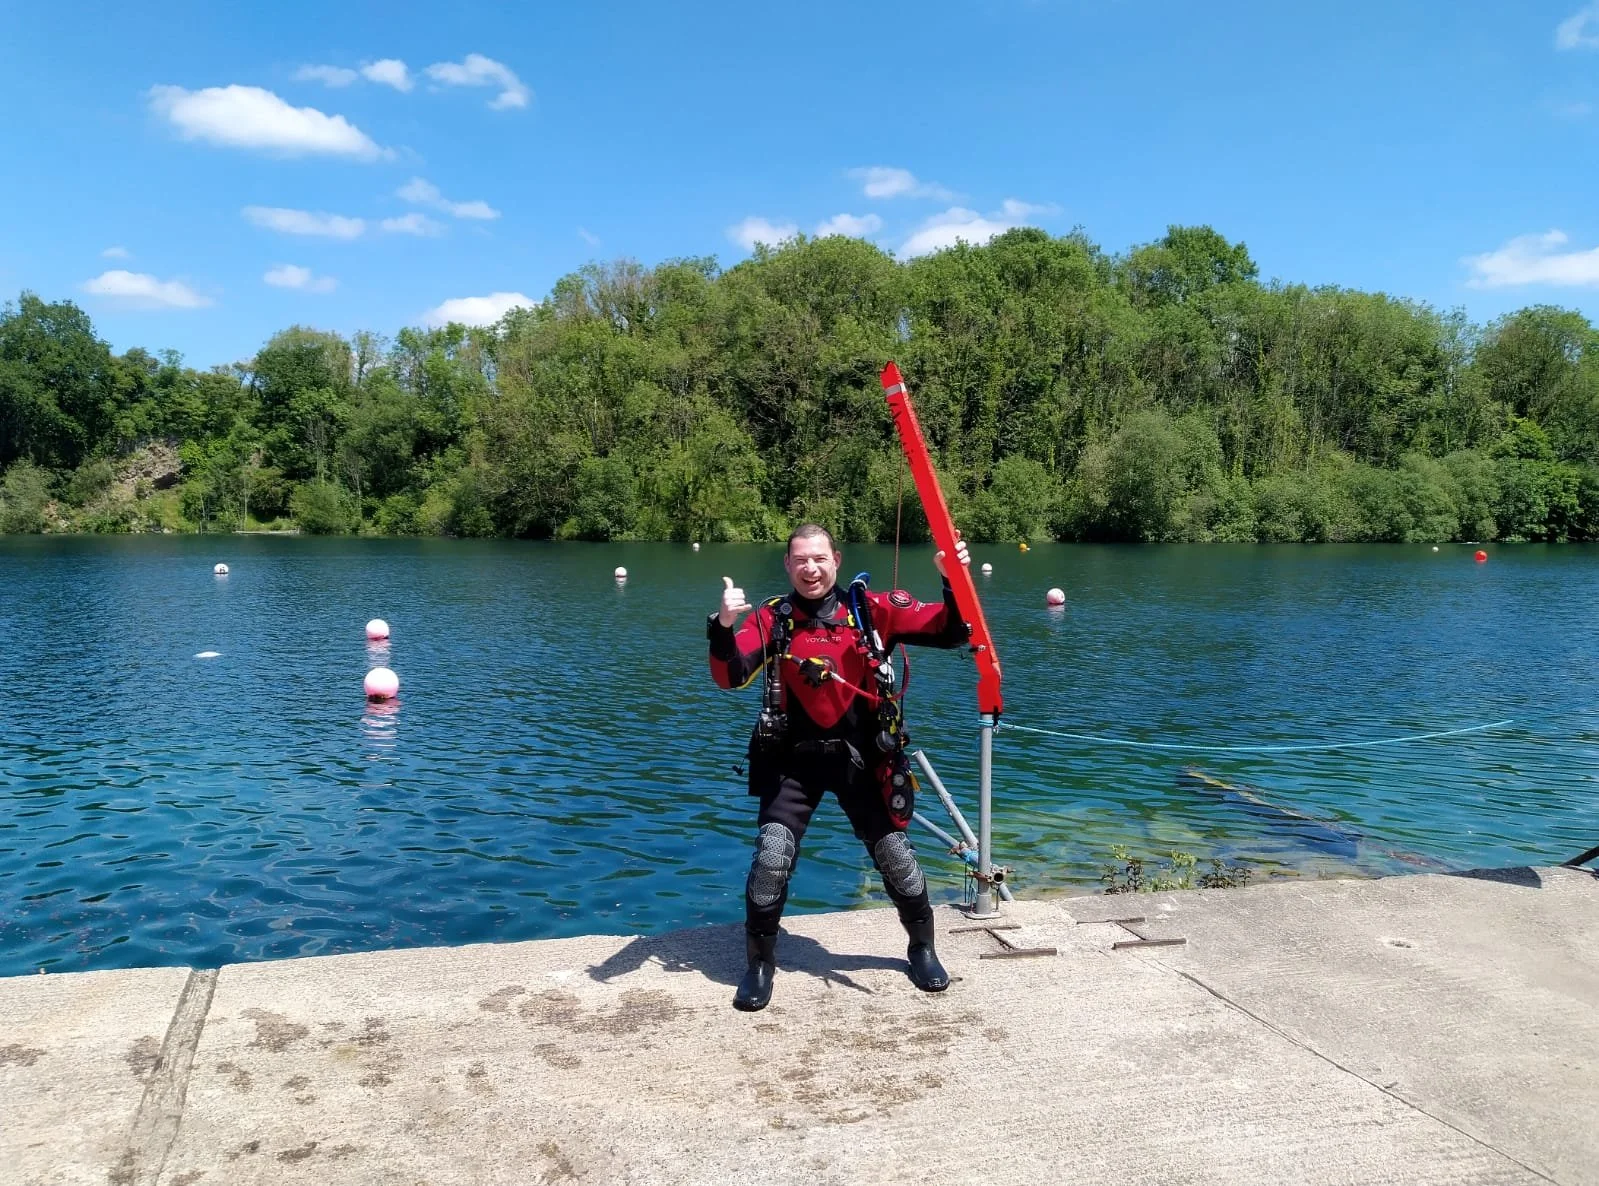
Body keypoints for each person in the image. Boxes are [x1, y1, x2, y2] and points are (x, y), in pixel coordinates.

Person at [707, 522, 972, 1012]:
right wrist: (722, 626)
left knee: (897, 856)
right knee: (772, 856)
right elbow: (730, 674)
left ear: (837, 561)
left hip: (865, 757)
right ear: (787, 565)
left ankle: (922, 949)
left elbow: (952, 631)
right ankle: (760, 964)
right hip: (792, 759)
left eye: (819, 559)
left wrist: (952, 579)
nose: (810, 568)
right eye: (800, 560)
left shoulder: (873, 610)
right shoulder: (772, 618)